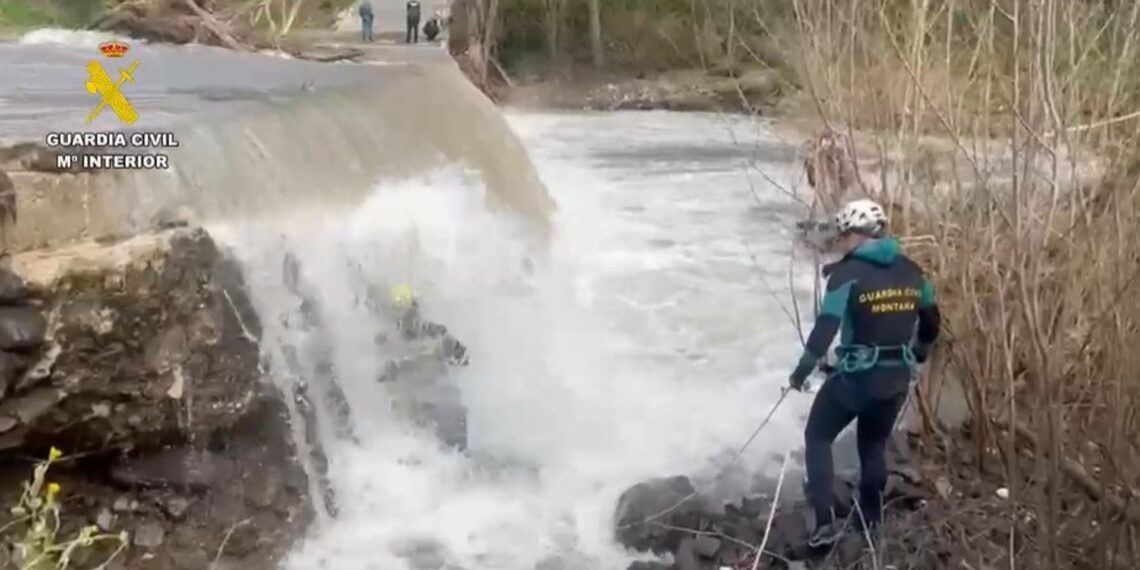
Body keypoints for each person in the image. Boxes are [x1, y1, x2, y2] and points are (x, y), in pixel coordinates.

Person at [786, 199, 941, 547]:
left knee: (818, 437)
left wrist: (800, 374)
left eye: (843, 235)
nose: (840, 242)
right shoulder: (914, 272)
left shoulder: (845, 275)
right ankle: (871, 519)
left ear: (856, 235)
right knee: (873, 444)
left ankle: (824, 524)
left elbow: (825, 330)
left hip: (857, 379)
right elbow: (932, 321)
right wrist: (918, 354)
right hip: (895, 379)